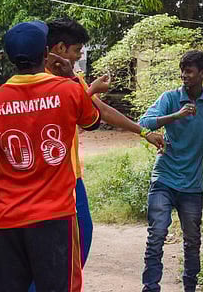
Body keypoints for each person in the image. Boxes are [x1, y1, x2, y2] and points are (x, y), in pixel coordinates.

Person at [31, 18, 164, 292]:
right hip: (49, 179)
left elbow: (98, 110)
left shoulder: (71, 79)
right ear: (59, 48)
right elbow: (78, 113)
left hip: (70, 177)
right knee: (49, 248)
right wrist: (87, 90)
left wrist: (143, 132)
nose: (79, 57)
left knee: (79, 238)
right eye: (77, 51)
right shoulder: (35, 81)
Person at [0, 20, 101, 292]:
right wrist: (70, 78)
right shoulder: (67, 91)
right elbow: (92, 121)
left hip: (8, 217)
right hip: (55, 215)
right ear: (46, 54)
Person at [138, 50, 203, 292]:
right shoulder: (170, 98)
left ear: (202, 73)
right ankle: (150, 288)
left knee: (192, 241)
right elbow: (144, 122)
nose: (184, 75)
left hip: (192, 185)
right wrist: (176, 115)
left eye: (190, 71)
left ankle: (190, 288)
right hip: (164, 178)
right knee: (157, 235)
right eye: (182, 71)